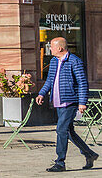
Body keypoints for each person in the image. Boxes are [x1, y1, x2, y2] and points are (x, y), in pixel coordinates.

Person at [37, 36, 98, 172]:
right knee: (69, 132)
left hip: (71, 101)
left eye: (51, 46)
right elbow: (49, 81)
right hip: (58, 101)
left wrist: (82, 102)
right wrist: (41, 93)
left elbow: (82, 83)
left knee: (61, 129)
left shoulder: (74, 61)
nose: (50, 48)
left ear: (60, 48)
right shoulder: (53, 61)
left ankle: (60, 163)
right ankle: (90, 154)